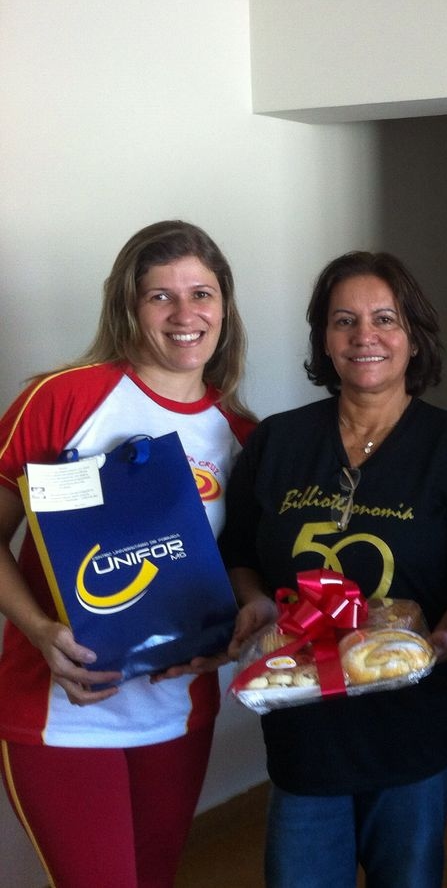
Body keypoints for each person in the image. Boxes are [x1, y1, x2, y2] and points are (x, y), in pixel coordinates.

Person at [218, 251, 447, 888]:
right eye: (344, 320)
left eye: (384, 319)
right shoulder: (278, 442)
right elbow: (239, 552)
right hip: (305, 727)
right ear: (324, 338)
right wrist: (257, 603)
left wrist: (444, 641)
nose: (364, 335)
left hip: (414, 727)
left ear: (414, 336)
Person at [0, 220, 255, 888]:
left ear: (224, 307)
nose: (184, 314)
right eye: (159, 296)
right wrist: (38, 629)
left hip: (176, 714)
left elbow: (237, 570)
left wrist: (230, 636)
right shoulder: (61, 400)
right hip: (60, 713)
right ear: (128, 306)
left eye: (201, 293)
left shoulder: (241, 436)